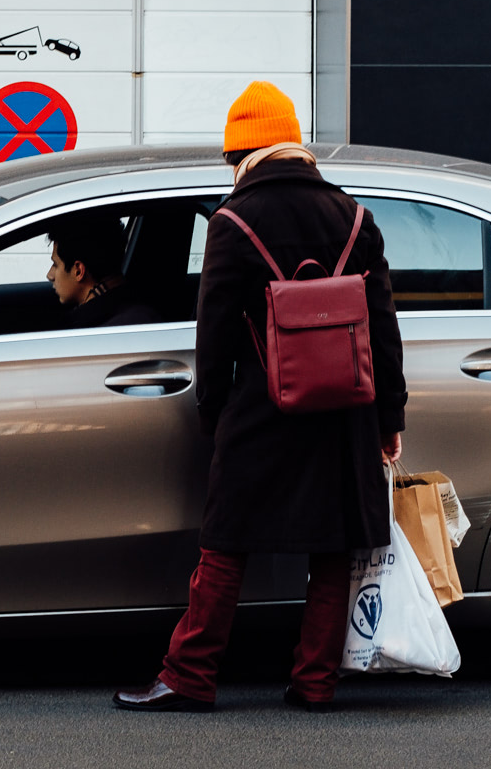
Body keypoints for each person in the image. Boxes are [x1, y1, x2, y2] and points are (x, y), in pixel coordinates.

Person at [113, 80, 408, 714]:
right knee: (333, 549)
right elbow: (383, 329)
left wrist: (214, 415)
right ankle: (315, 683)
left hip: (262, 407)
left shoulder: (232, 220)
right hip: (347, 409)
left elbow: (214, 330)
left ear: (243, 154)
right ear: (294, 146)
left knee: (224, 545)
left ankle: (189, 676)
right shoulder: (357, 217)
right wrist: (390, 419)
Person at [45, 215, 160, 329]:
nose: (49, 275)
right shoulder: (138, 314)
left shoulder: (106, 328)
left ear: (78, 271)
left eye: (56, 264)